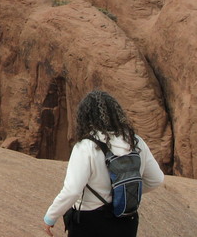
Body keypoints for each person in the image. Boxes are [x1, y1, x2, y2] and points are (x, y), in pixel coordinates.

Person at [42, 90, 164, 237]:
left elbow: (73, 190)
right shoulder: (136, 141)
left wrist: (51, 216)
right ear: (116, 113)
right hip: (126, 220)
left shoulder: (86, 147)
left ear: (85, 117)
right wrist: (124, 192)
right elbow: (156, 179)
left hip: (90, 221)